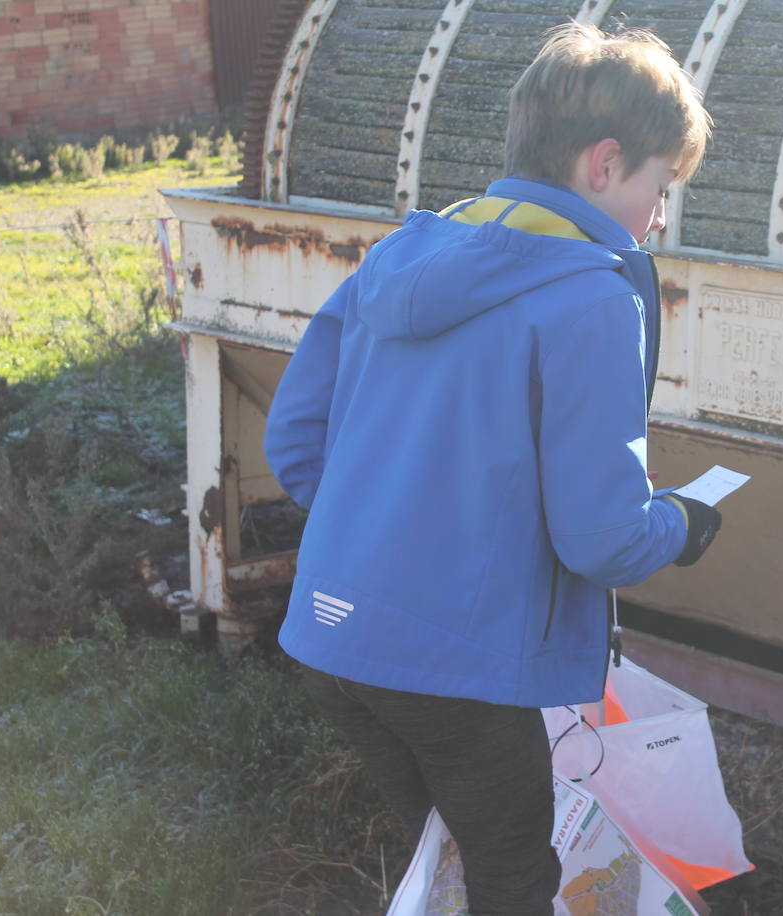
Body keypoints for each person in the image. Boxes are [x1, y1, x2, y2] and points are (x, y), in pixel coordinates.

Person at [263, 21, 720, 915]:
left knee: (455, 864)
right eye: (660, 187)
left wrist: (395, 525)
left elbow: (296, 446)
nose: (658, 216)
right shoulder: (590, 297)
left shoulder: (400, 254)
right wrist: (685, 523)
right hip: (452, 666)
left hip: (334, 639)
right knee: (511, 881)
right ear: (603, 164)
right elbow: (601, 537)